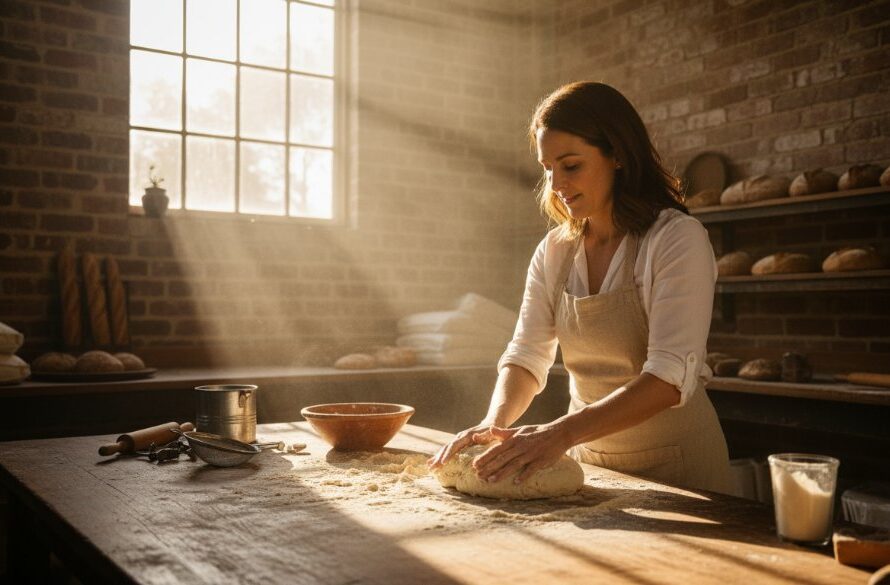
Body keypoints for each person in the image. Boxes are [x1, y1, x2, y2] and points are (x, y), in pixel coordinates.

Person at [429, 81, 732, 494]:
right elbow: (527, 354)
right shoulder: (555, 251)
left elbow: (668, 376)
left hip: (679, 466)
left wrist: (559, 433)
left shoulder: (676, 239)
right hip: (590, 464)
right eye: (547, 168)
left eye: (570, 166)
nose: (556, 184)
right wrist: (494, 423)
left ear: (619, 155)